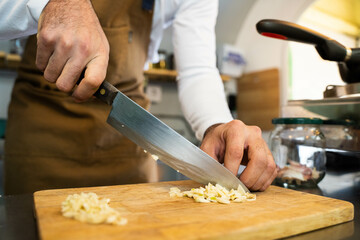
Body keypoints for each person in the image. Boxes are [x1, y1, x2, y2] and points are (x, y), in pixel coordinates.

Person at [0, 0, 277, 195]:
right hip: (42, 136)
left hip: (128, 148)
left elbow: (198, 69)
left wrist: (218, 124)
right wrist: (55, 3)